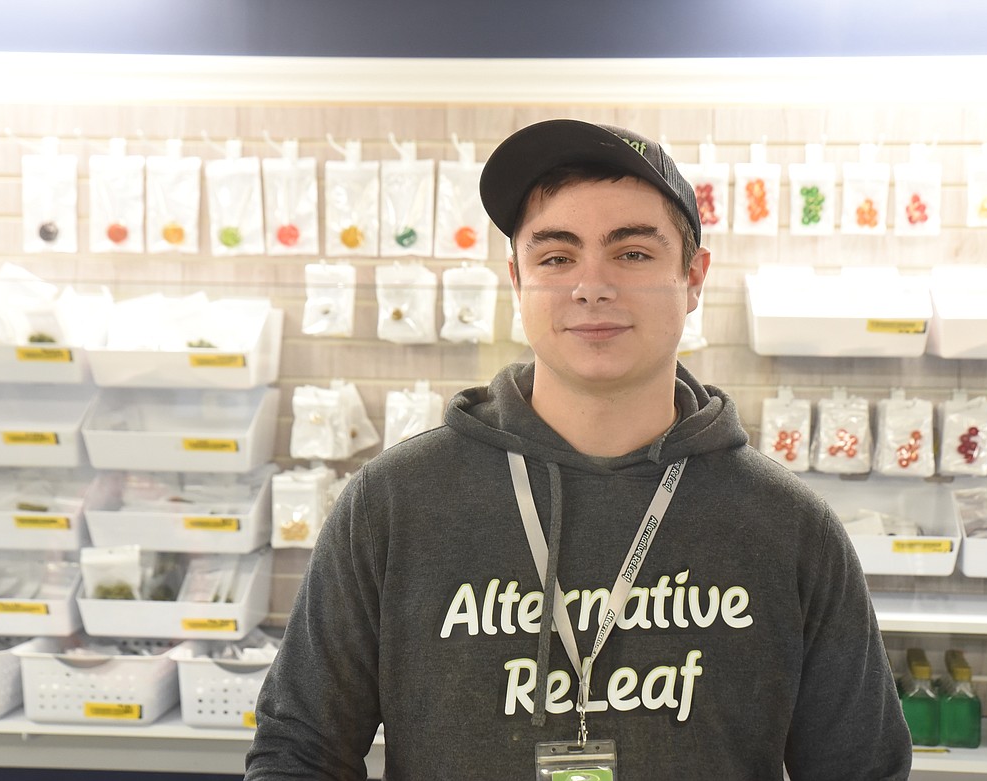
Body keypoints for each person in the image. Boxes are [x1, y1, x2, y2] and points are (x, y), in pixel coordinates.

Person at [245, 119, 912, 780]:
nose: (591, 284)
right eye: (556, 256)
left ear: (694, 277)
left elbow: (862, 768)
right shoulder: (392, 503)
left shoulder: (789, 525)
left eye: (633, 253)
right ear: (517, 278)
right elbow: (298, 751)